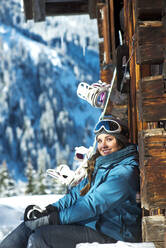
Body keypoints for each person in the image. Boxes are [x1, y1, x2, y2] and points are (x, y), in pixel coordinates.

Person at [0, 115, 142, 248]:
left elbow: (91, 205)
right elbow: (76, 194)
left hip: (112, 233)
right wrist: (50, 210)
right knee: (29, 225)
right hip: (92, 223)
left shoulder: (124, 173)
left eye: (109, 139)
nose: (103, 145)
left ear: (121, 141)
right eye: (99, 140)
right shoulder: (102, 166)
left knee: (41, 237)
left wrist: (52, 219)